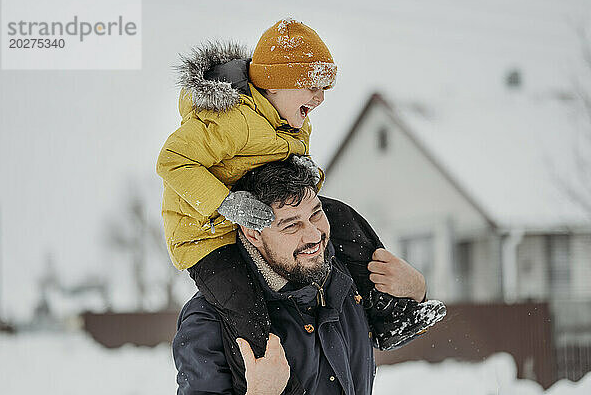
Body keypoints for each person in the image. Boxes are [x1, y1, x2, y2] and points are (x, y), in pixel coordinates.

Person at [158, 18, 445, 390]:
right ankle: (262, 353)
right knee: (242, 305)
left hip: (258, 204)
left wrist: (412, 290)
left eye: (325, 87)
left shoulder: (335, 287)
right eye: (312, 86)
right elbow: (171, 162)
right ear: (275, 84)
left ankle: (389, 307)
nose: (320, 97)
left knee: (343, 217)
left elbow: (300, 171)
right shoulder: (232, 122)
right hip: (204, 231)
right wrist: (226, 203)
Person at [173, 156, 446, 395]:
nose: (314, 236)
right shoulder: (209, 320)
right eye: (291, 226)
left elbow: (387, 331)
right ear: (253, 233)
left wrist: (416, 290)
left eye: (316, 214)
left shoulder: (345, 275)